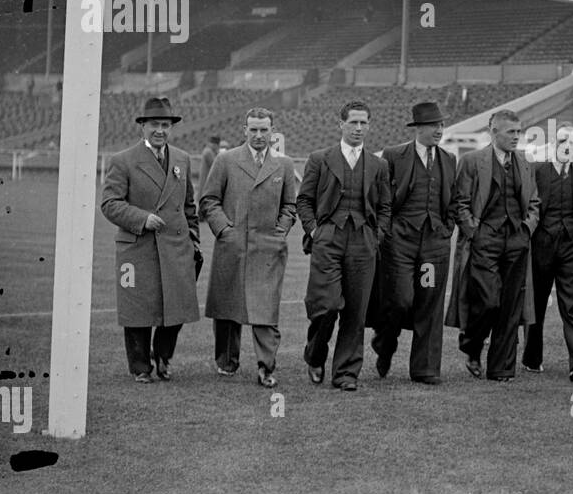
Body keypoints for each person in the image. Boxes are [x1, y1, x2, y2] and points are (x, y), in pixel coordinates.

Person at [100, 96, 201, 384]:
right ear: (142, 127)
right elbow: (109, 203)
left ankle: (163, 356)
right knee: (138, 310)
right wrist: (141, 219)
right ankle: (141, 367)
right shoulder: (123, 161)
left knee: (178, 307)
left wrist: (194, 240)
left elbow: (189, 205)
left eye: (166, 125)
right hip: (138, 247)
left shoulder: (182, 159)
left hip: (177, 246)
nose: (160, 130)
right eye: (154, 124)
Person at [296, 100, 392, 391]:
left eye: (364, 123)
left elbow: (386, 206)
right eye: (353, 123)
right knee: (326, 306)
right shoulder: (320, 158)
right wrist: (314, 231)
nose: (358, 128)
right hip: (328, 239)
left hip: (363, 242)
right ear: (341, 125)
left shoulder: (378, 165)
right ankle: (315, 355)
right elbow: (304, 200)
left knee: (356, 311)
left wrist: (377, 237)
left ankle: (346, 373)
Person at [199, 108, 298, 388]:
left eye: (264, 130)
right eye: (253, 129)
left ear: (272, 130)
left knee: (266, 309)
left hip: (268, 248)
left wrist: (281, 230)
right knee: (228, 307)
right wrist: (225, 230)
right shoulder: (226, 160)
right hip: (232, 245)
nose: (258, 135)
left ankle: (266, 367)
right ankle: (227, 362)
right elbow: (209, 200)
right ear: (244, 130)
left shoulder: (284, 164)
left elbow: (290, 205)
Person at [445, 110, 540, 382]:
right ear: (494, 132)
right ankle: (471, 345)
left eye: (518, 132)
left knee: (511, 306)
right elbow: (460, 202)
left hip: (516, 240)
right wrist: (474, 231)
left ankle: (501, 369)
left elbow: (534, 202)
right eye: (510, 132)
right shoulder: (472, 161)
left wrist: (527, 229)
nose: (516, 137)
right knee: (488, 301)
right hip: (484, 239)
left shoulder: (524, 162)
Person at [371, 102, 458, 386]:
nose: (439, 130)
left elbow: (453, 200)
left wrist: (447, 229)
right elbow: (382, 196)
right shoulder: (394, 155)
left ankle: (425, 368)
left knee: (429, 302)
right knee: (400, 300)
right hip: (400, 243)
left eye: (441, 125)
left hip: (433, 245)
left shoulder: (448, 159)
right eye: (434, 125)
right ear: (419, 128)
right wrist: (389, 231)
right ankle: (384, 343)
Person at [522, 125, 573, 383]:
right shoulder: (538, 170)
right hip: (541, 247)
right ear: (553, 144)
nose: (566, 145)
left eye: (571, 141)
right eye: (561, 140)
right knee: (536, 303)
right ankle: (532, 357)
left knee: (572, 304)